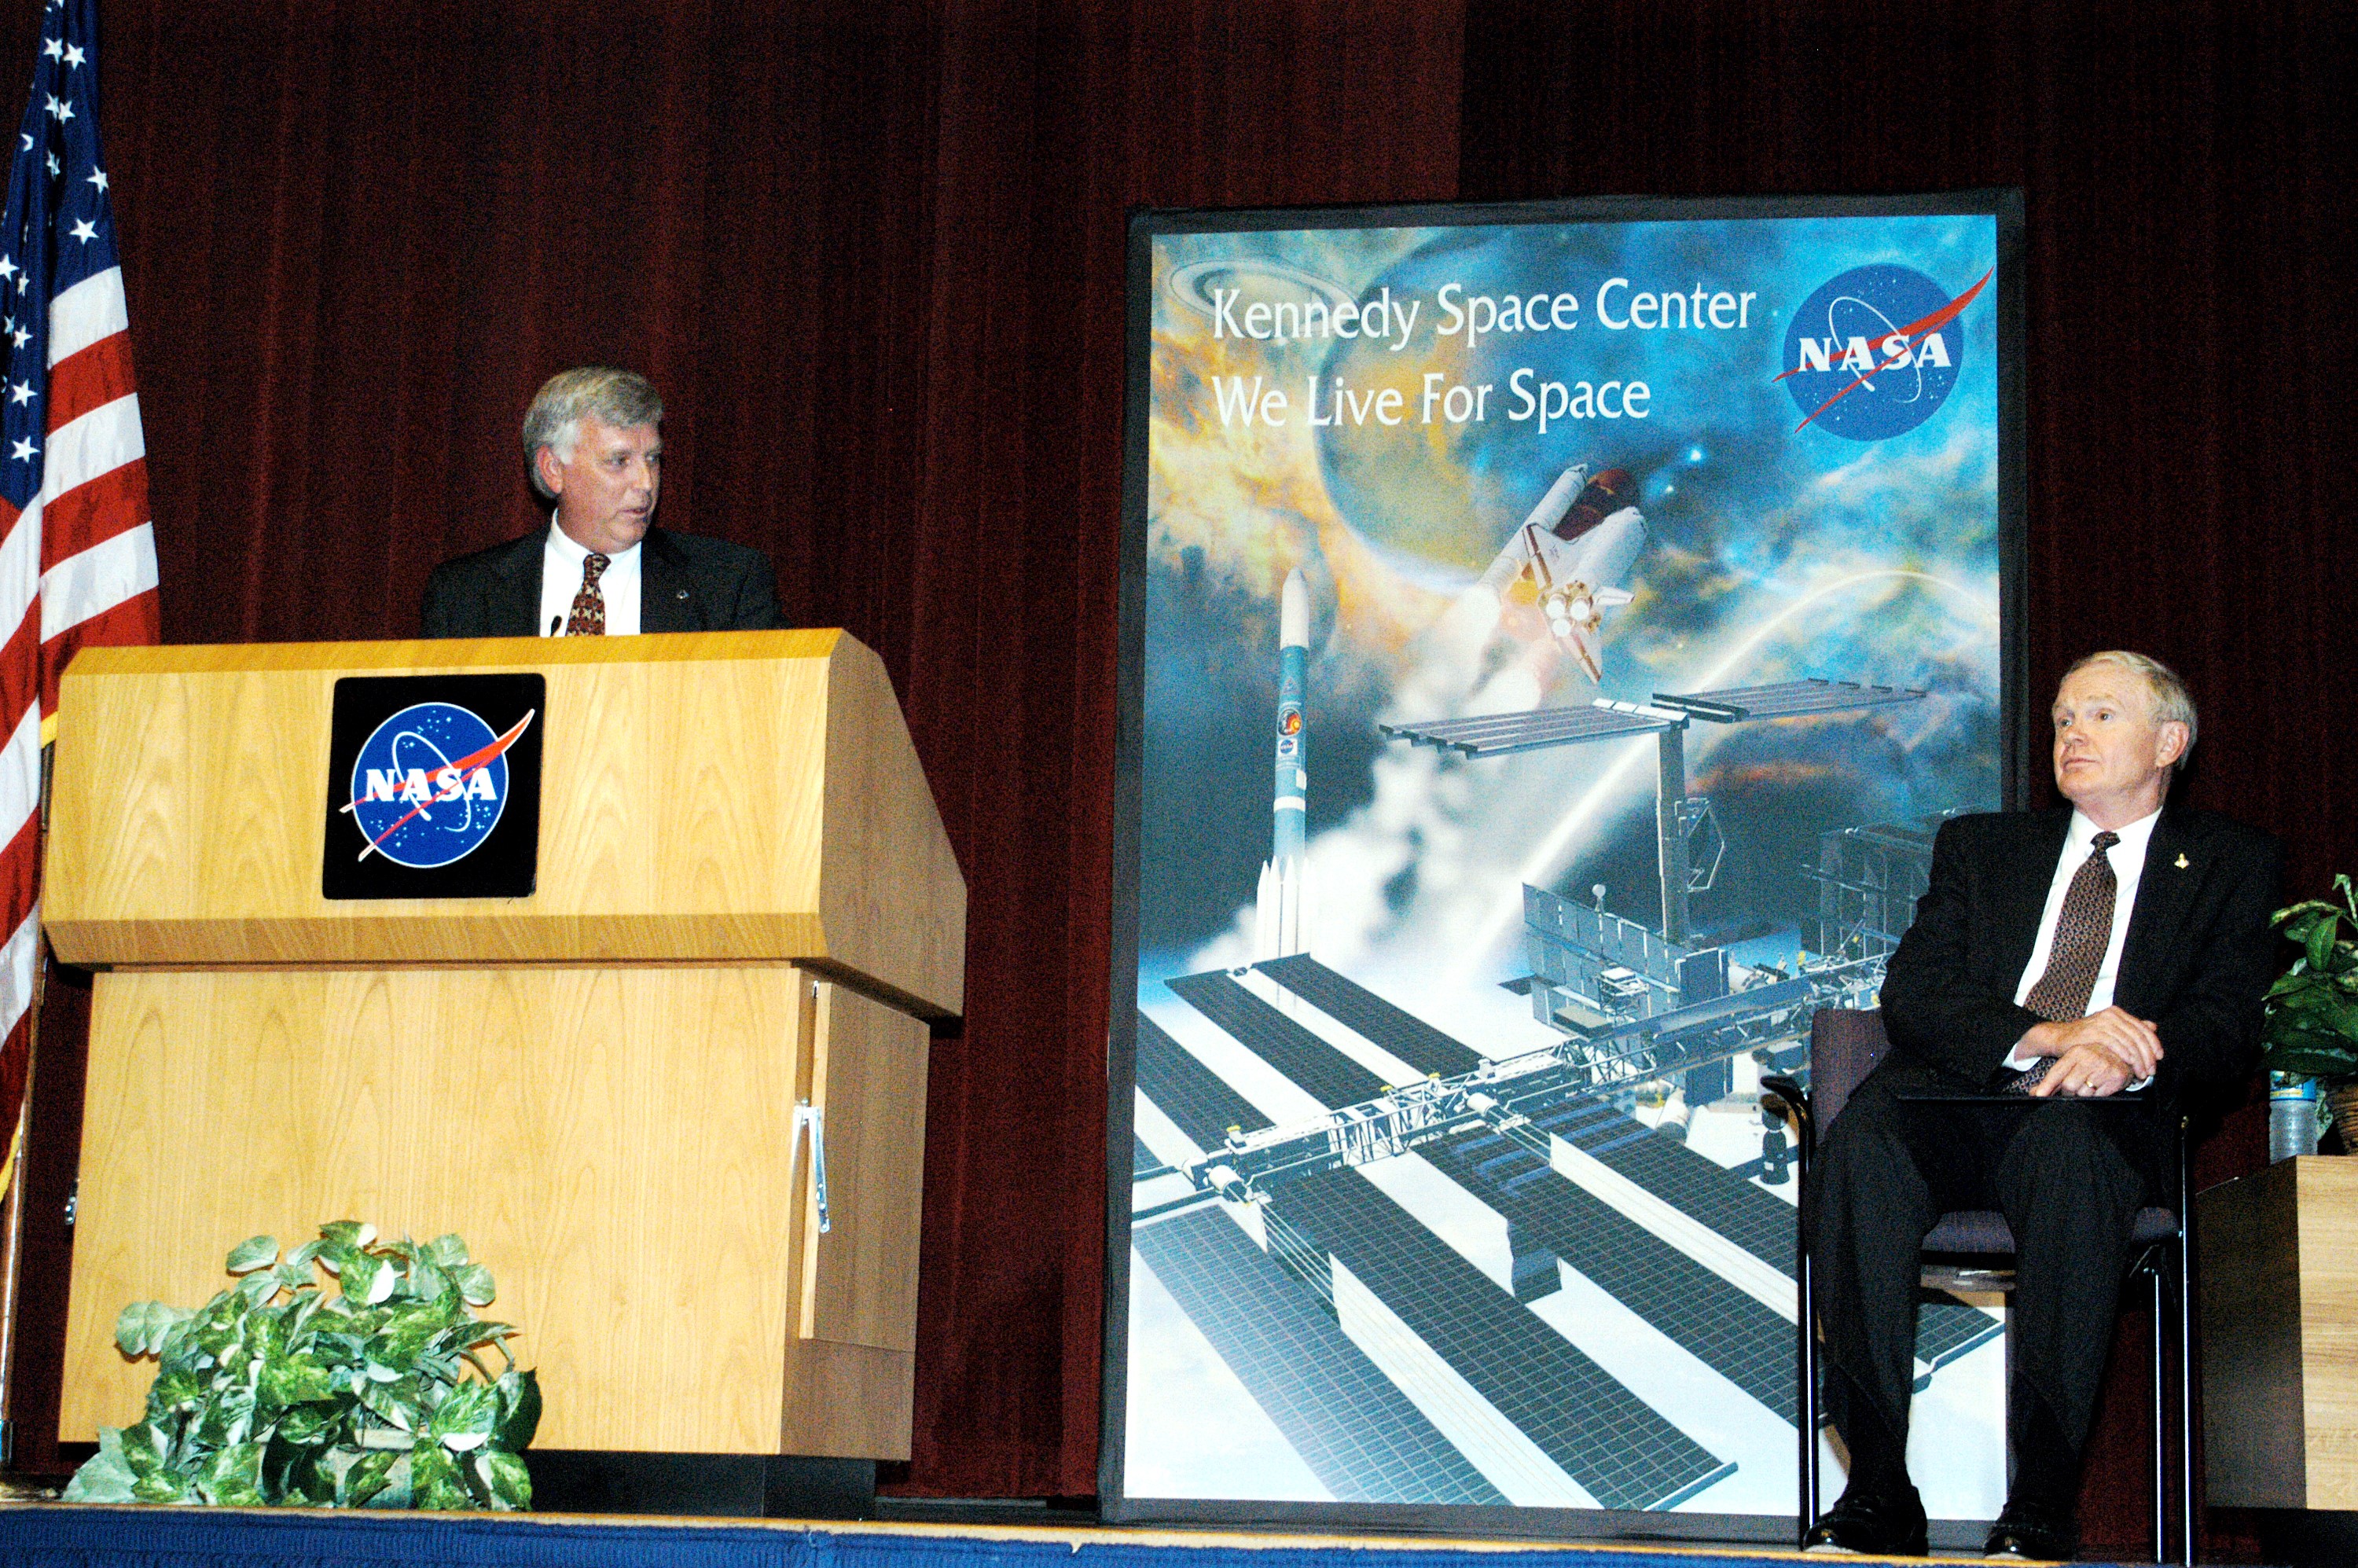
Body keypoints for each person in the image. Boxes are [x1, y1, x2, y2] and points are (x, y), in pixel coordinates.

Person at [1802, 652, 2280, 1560]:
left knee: (2069, 1148)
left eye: (2101, 716)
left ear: (2168, 742)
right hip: (1955, 1099)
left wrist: (2128, 1056)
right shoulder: (1983, 847)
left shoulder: (2228, 861)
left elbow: (2227, 1022)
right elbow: (1917, 994)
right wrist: (2059, 1034)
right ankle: (1877, 1494)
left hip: (2095, 1119)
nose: (2072, 735)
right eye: (2063, 718)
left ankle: (2040, 1507)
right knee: (1859, 1142)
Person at [420, 367, 785, 637]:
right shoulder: (464, 596)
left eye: (653, 459)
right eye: (619, 461)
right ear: (553, 469)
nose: (645, 483)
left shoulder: (728, 584)